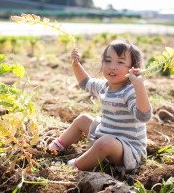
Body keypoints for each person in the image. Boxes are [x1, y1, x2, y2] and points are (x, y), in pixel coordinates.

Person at [49, 39, 152, 172]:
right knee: (83, 119)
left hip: (126, 150)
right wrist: (76, 64)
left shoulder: (130, 91)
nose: (112, 66)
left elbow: (144, 116)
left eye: (120, 62)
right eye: (108, 61)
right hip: (104, 135)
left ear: (133, 68)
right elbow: (85, 82)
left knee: (105, 143)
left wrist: (139, 85)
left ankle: (74, 166)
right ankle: (55, 147)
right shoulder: (104, 86)